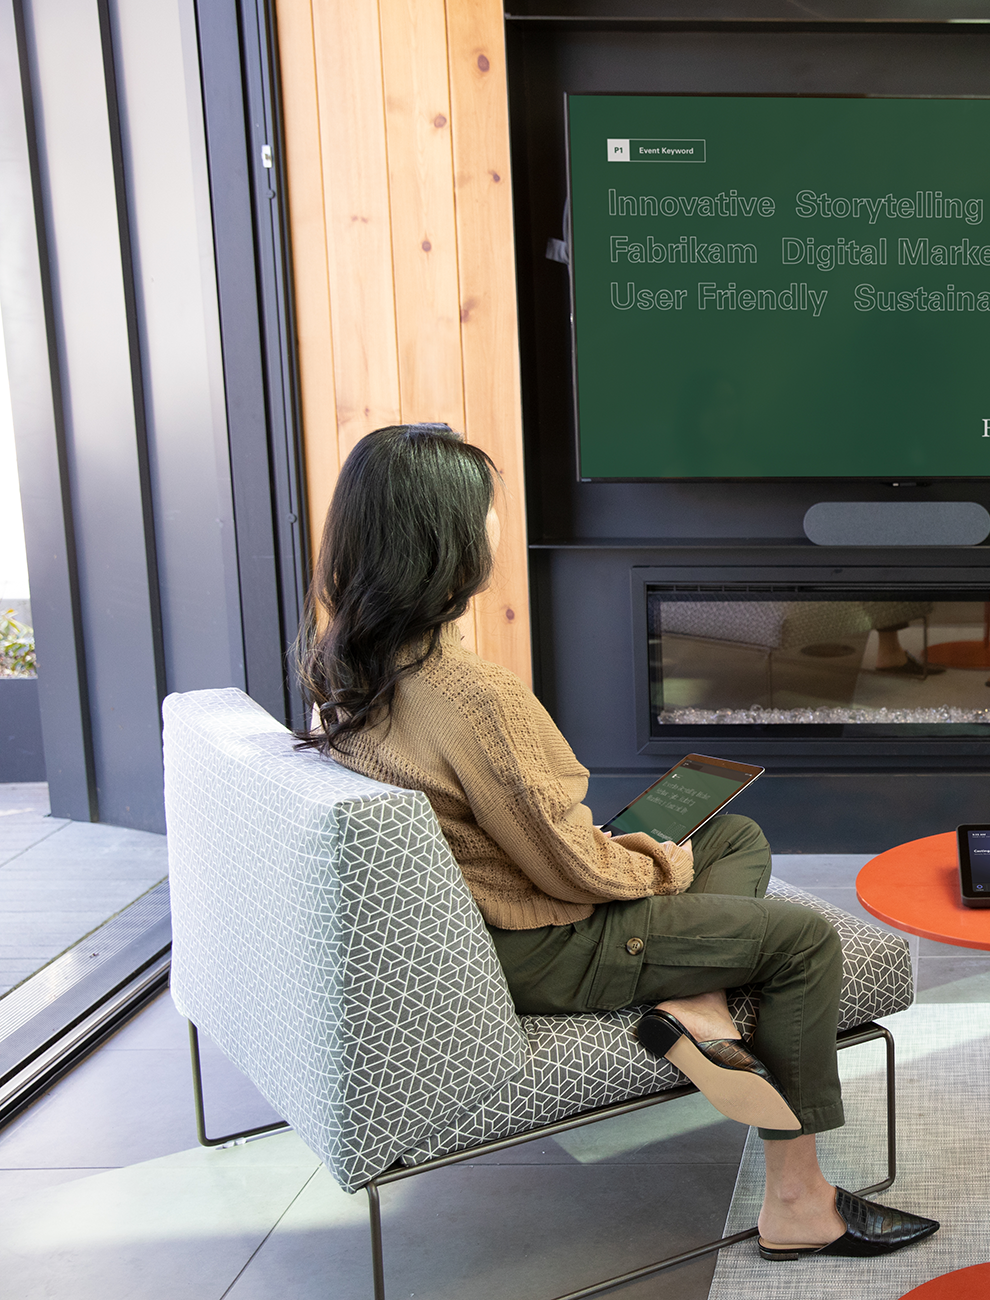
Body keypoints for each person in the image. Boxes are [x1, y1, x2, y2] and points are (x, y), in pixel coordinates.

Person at [295, 423, 937, 1263]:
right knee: (805, 940)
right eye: (486, 510)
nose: (496, 523)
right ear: (445, 540)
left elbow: (519, 835)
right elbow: (571, 867)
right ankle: (798, 1201)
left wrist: (625, 847)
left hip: (498, 914)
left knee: (731, 829)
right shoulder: (469, 691)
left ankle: (695, 1000)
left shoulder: (348, 665)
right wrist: (653, 859)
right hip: (543, 940)